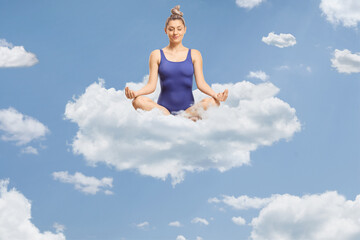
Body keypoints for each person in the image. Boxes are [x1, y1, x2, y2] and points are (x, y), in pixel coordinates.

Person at [125, 5, 228, 121]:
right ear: (165, 30)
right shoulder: (156, 54)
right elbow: (151, 86)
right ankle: (172, 119)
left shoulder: (195, 54)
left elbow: (201, 83)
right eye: (171, 29)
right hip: (163, 111)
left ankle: (181, 118)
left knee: (214, 103)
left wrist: (216, 95)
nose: (175, 32)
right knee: (138, 101)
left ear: (185, 29)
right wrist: (135, 93)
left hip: (189, 111)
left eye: (179, 29)